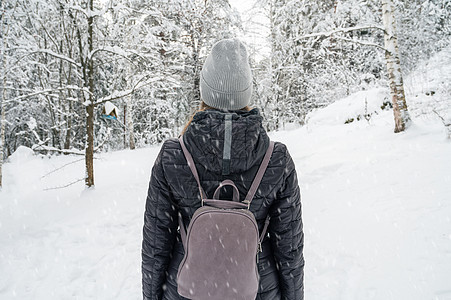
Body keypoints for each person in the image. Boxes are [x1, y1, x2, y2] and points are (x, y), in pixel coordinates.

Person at [142, 38, 304, 300]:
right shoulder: (277, 158)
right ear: (246, 93)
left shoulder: (173, 155)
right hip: (257, 290)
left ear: (205, 92)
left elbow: (155, 247)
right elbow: (290, 251)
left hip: (187, 290)